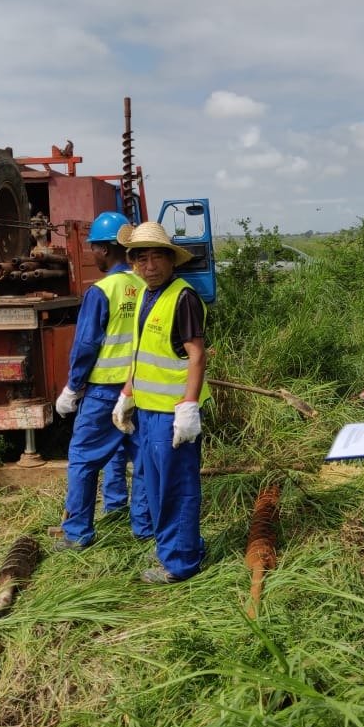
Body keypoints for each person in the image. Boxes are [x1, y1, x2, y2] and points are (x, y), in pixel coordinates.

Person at [112, 221, 211, 585]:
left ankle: (181, 563)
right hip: (150, 411)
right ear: (134, 263)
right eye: (141, 258)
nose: (149, 265)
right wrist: (127, 393)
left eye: (156, 257)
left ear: (171, 261)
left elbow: (197, 354)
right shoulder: (144, 296)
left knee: (176, 487)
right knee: (155, 486)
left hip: (173, 414)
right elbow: (140, 352)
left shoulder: (183, 297)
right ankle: (178, 547)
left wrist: (188, 407)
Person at [55, 211, 149, 550]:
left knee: (82, 459)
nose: (91, 253)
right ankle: (143, 528)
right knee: (142, 460)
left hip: (105, 392)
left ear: (106, 250)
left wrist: (72, 387)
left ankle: (77, 533)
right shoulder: (146, 286)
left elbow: (86, 345)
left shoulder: (102, 291)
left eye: (93, 247)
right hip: (142, 391)